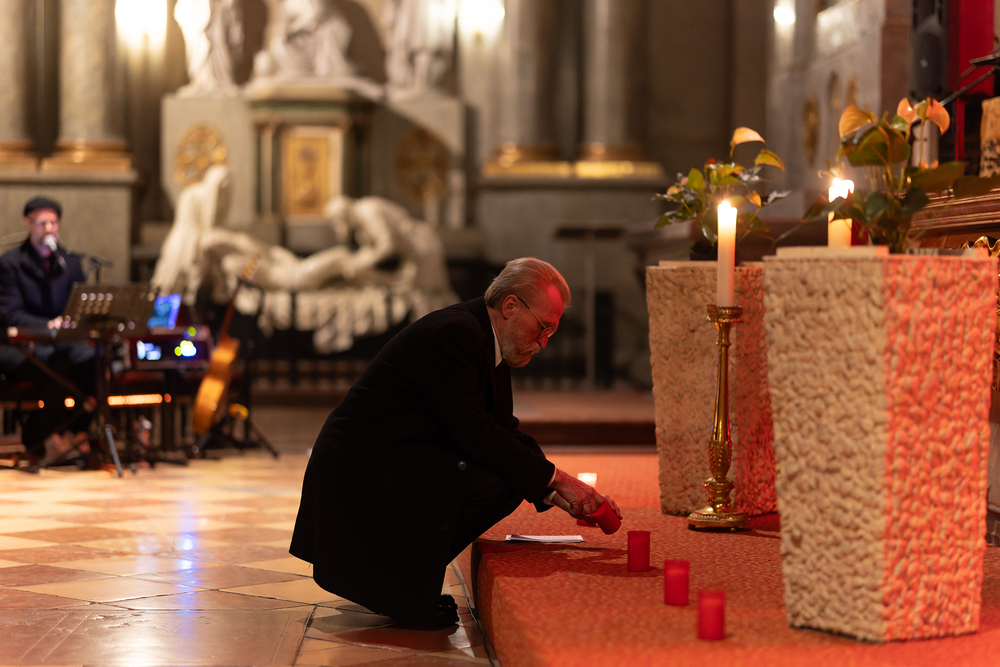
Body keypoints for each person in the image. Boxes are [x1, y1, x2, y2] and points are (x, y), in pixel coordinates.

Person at [289, 257, 622, 629]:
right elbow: (477, 434)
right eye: (543, 327)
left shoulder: (485, 337)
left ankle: (403, 585)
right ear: (511, 306)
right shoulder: (455, 334)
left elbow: (502, 430)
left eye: (551, 333)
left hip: (392, 461)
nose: (544, 342)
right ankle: (395, 589)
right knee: (492, 483)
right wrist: (559, 480)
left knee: (506, 478)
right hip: (360, 474)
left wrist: (560, 494)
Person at [0, 196, 94, 457]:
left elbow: (81, 302)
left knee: (94, 359)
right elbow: (11, 314)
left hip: (60, 340)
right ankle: (44, 436)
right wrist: (46, 325)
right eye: (42, 223)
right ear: (28, 224)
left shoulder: (69, 263)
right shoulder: (10, 263)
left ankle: (79, 431)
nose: (49, 229)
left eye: (53, 223)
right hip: (17, 343)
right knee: (56, 365)